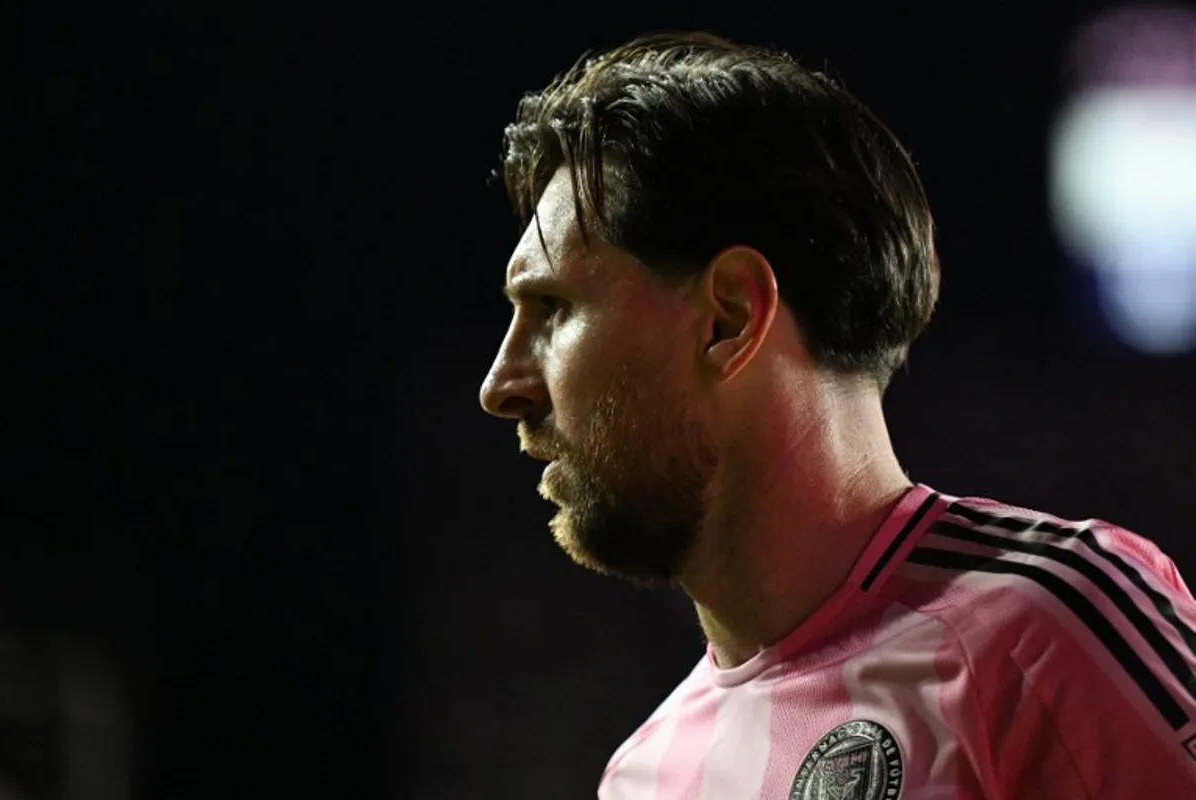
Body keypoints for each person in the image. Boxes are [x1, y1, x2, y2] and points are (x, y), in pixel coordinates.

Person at [478, 31, 1196, 798]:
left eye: (552, 309)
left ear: (728, 318)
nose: (501, 383)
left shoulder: (1051, 631)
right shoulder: (644, 778)